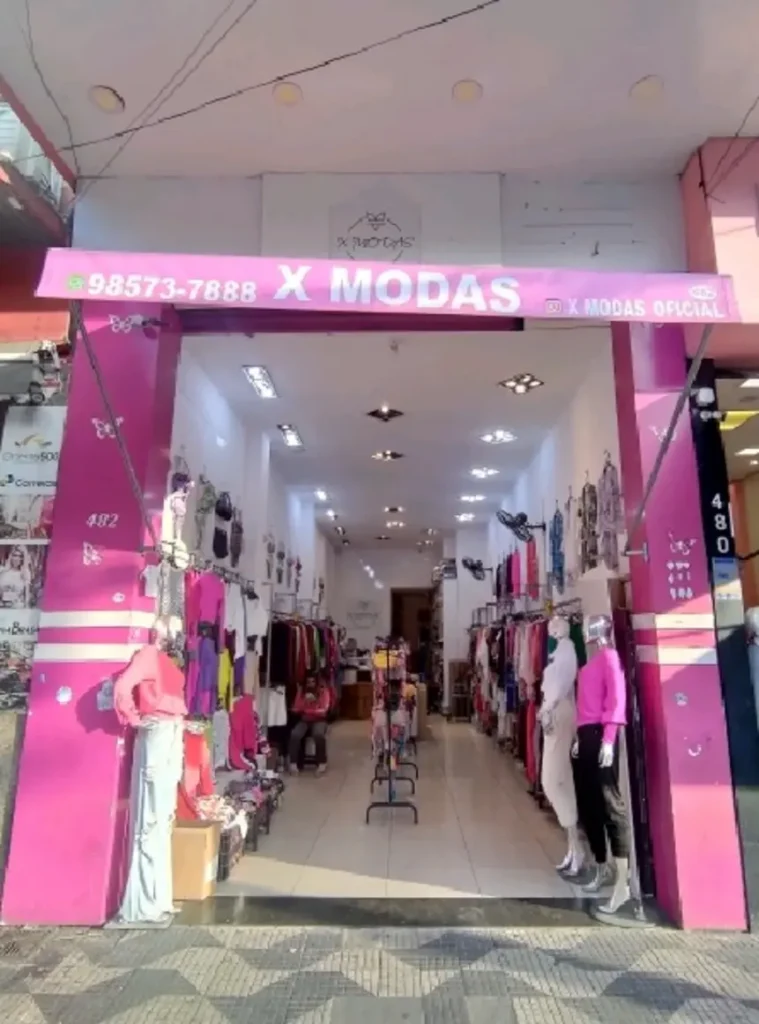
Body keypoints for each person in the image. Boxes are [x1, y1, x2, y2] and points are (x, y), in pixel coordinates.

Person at [288, 674, 330, 774]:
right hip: (305, 720)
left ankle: (322, 762)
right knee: (295, 734)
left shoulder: (323, 692)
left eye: (312, 682)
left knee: (318, 735)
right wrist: (305, 703)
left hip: (320, 720)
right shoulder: (301, 692)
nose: (310, 684)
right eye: (308, 682)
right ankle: (293, 763)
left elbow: (324, 710)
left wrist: (310, 706)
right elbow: (296, 707)